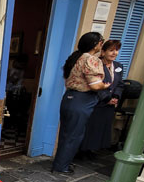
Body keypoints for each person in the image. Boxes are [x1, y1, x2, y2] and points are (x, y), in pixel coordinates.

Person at [52, 32, 110, 174]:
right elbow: (95, 85)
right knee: (74, 136)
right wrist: (105, 86)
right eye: (101, 42)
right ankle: (61, 167)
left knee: (66, 134)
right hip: (81, 100)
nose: (101, 44)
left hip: (69, 98)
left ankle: (60, 164)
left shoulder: (76, 57)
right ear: (96, 44)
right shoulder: (91, 59)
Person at [79, 40, 125, 156]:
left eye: (116, 50)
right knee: (90, 127)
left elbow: (120, 84)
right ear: (103, 52)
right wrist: (106, 98)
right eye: (111, 50)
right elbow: (93, 83)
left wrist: (115, 97)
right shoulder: (96, 64)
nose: (114, 53)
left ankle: (92, 149)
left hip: (109, 104)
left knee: (101, 128)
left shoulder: (118, 66)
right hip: (96, 101)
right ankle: (81, 150)